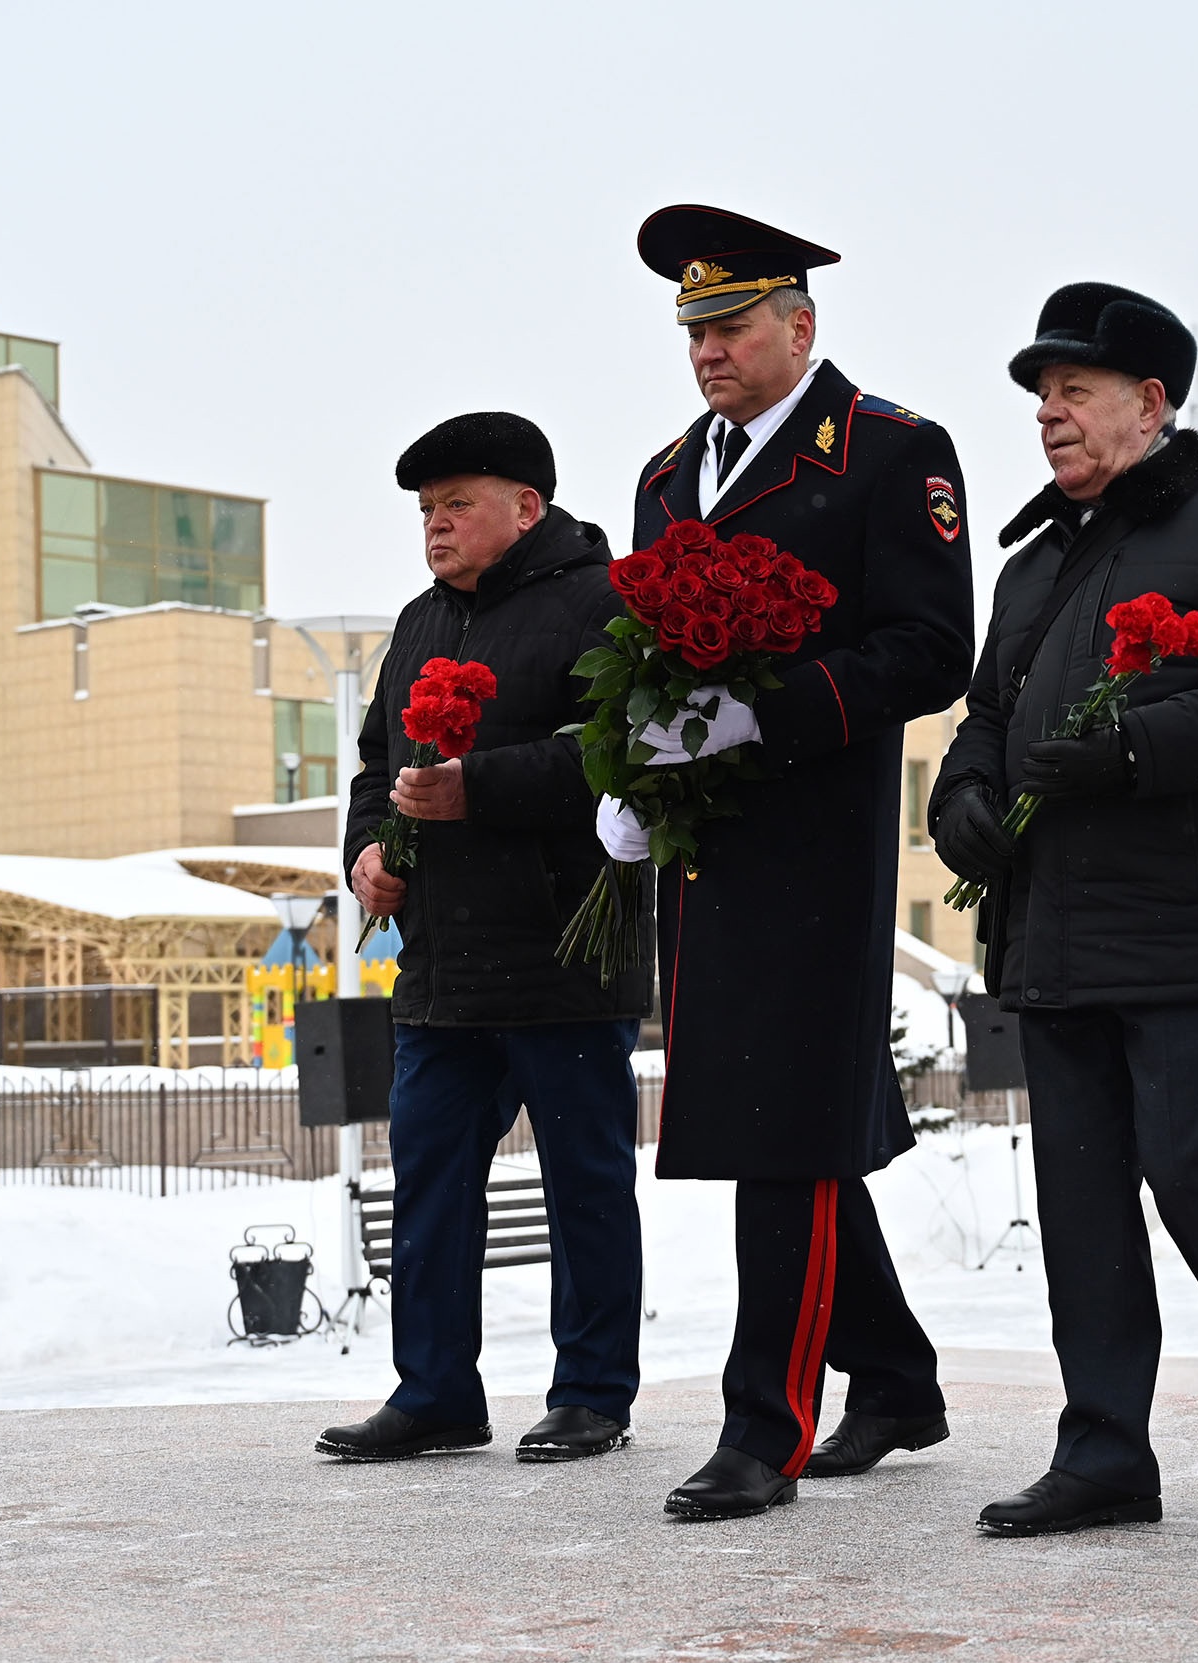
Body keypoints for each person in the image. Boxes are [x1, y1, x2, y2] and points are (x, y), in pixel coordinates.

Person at [930, 281, 1198, 1536]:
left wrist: (1133, 752)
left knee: (1196, 1172)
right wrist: (961, 800)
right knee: (1078, 1196)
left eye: (1073, 393)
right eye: (1040, 398)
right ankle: (1105, 1450)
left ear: (1152, 403)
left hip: (1189, 926)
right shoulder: (1032, 566)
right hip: (1053, 930)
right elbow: (989, 722)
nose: (1049, 417)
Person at [615, 206, 974, 1521]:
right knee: (775, 1119)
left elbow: (934, 649)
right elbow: (644, 648)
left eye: (732, 324)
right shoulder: (664, 475)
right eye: (694, 329)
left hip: (817, 846)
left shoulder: (887, 453)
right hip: (705, 857)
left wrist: (762, 710)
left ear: (800, 325)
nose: (709, 349)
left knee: (780, 1129)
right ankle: (893, 1376)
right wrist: (634, 764)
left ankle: (764, 1424)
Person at [316, 414, 653, 1466]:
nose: (437, 525)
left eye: (458, 503)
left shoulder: (602, 606)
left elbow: (624, 755)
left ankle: (592, 1389)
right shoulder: (416, 624)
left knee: (583, 1184)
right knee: (430, 1185)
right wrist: (368, 851)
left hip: (564, 953)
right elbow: (379, 769)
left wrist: (481, 790)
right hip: (442, 964)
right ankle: (434, 1393)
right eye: (426, 509)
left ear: (528, 507)